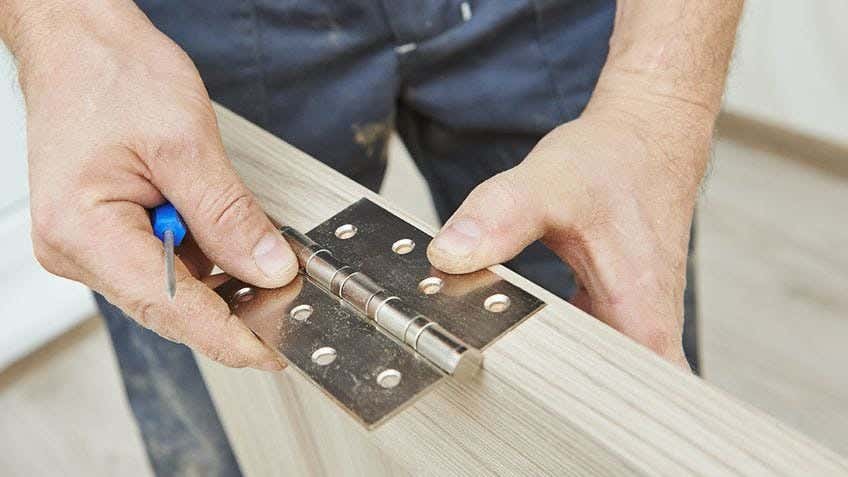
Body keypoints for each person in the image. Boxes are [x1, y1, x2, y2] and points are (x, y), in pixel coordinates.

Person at [1, 0, 743, 474]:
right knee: (225, 401)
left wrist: (658, 96)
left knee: (603, 400)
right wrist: (65, 26)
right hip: (196, 20)